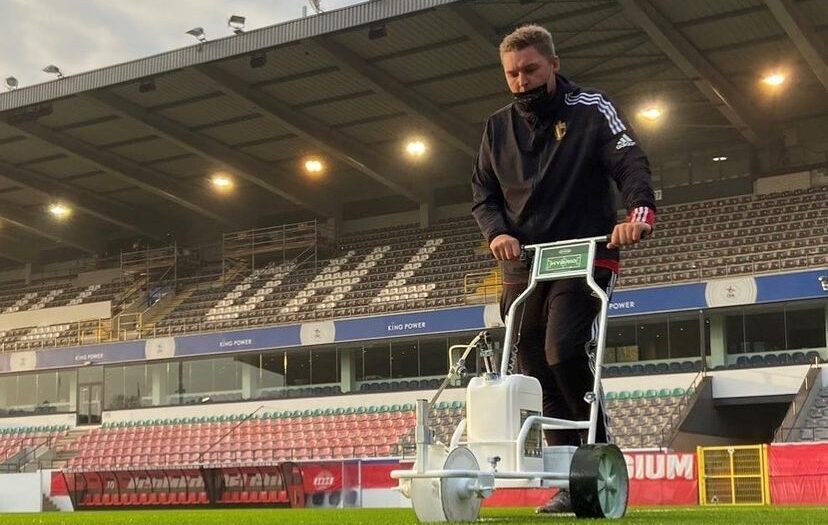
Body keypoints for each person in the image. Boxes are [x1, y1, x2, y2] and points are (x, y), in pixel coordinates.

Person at [471, 24, 656, 514]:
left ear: (553, 64)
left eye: (530, 69)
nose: (521, 81)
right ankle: (567, 481)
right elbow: (483, 195)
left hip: (583, 254)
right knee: (532, 367)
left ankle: (595, 457)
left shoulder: (591, 109)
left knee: (563, 351)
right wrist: (497, 233)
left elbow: (630, 163)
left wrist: (637, 214)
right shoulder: (497, 128)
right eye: (512, 74)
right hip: (524, 263)